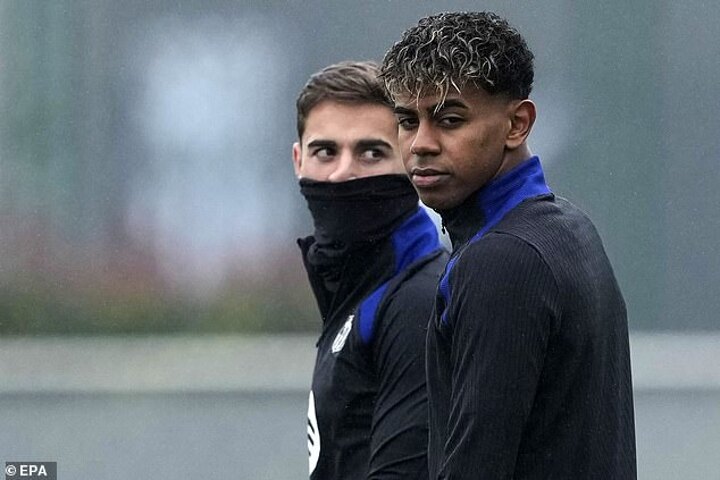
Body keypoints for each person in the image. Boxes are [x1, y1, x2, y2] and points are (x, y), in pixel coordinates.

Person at [380, 12, 637, 479]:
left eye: (449, 120)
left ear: (517, 124)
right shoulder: (570, 228)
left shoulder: (503, 259)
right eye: (406, 121)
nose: (420, 143)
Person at [292, 61, 448, 480]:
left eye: (371, 152)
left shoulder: (420, 301)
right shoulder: (357, 294)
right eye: (325, 151)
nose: (344, 173)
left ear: (411, 161)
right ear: (298, 160)